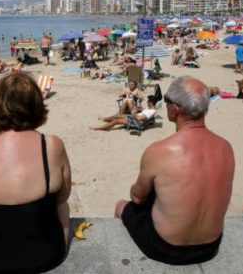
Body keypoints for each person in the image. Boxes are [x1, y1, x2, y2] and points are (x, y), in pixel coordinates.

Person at [0, 73, 71, 273]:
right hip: (44, 257)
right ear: (37, 106)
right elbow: (63, 197)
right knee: (62, 206)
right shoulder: (52, 145)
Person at [115, 76, 234, 265]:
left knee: (122, 206)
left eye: (166, 101)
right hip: (211, 246)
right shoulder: (226, 148)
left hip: (167, 248)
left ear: (175, 108)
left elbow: (137, 198)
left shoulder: (160, 151)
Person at [91, 96, 157, 131]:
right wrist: (137, 109)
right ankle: (104, 119)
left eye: (148, 101)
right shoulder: (149, 108)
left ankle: (97, 128)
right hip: (134, 117)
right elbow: (143, 111)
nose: (147, 102)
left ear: (151, 103)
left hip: (136, 121)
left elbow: (139, 118)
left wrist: (134, 113)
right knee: (118, 115)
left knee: (116, 121)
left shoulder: (152, 111)